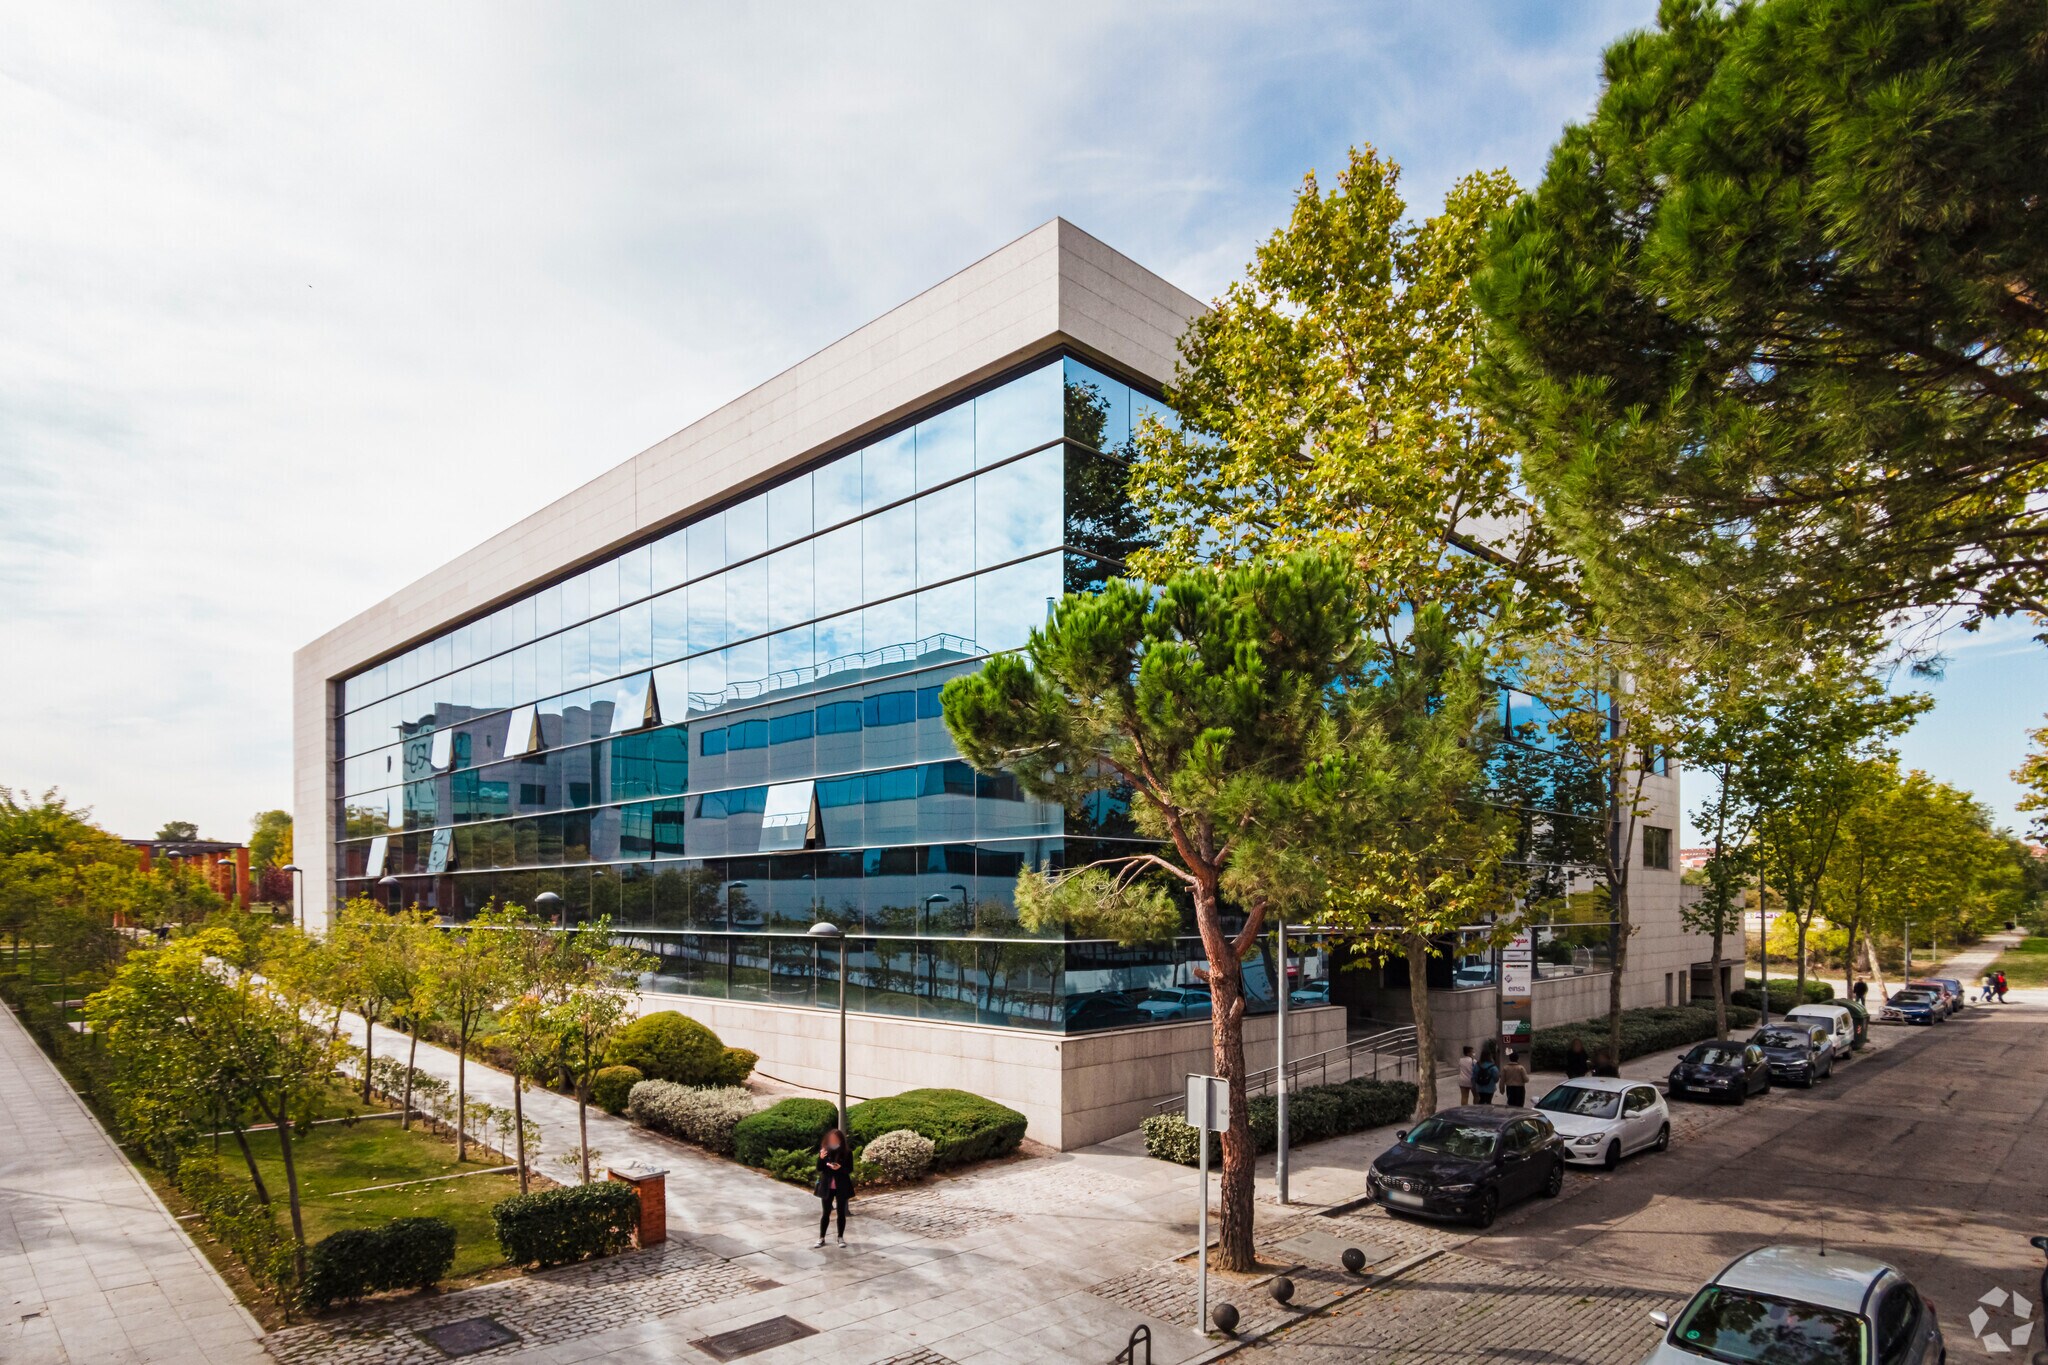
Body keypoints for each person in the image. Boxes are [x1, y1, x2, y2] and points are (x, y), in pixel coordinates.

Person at [815, 1128, 853, 1248]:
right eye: (831, 1139)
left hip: (841, 1186)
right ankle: (821, 1237)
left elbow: (849, 1169)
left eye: (835, 1139)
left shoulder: (847, 1152)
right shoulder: (825, 1151)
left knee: (841, 1212)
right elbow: (819, 1168)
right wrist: (821, 1158)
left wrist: (839, 1168)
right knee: (826, 1212)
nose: (833, 1141)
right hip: (827, 1185)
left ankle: (840, 1237)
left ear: (840, 1140)